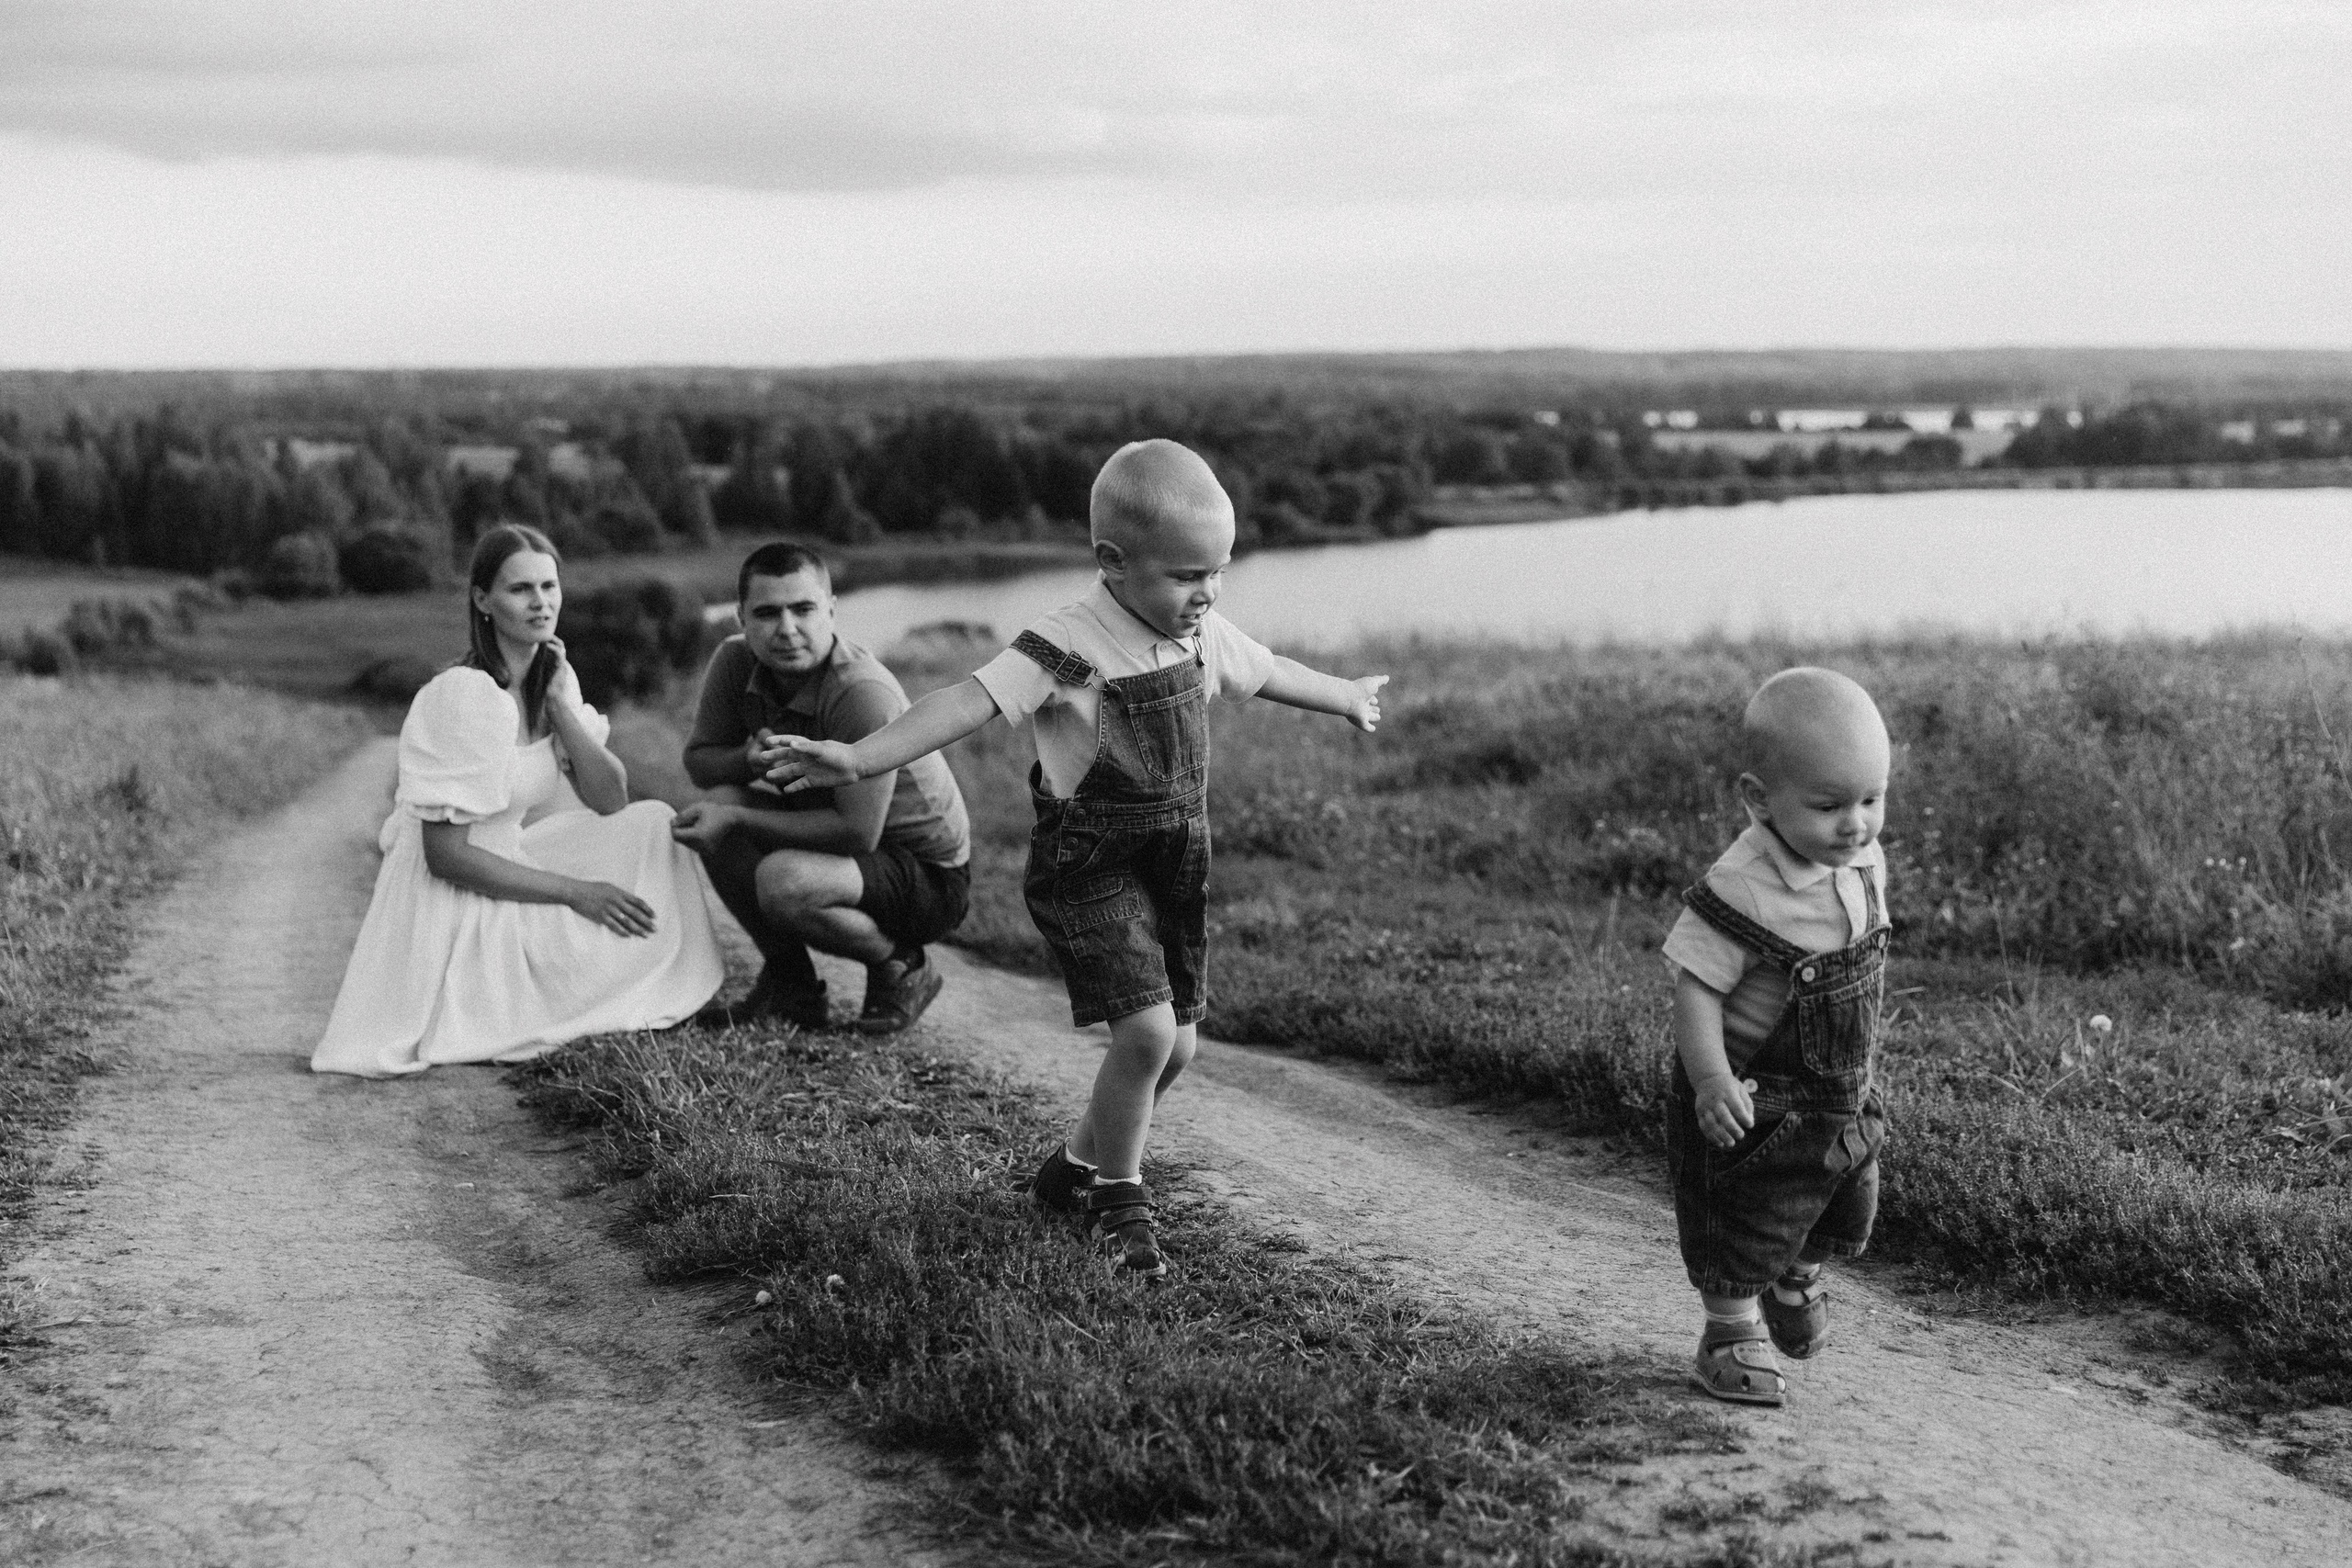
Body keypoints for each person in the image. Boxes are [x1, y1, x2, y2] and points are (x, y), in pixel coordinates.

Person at [769, 440, 1385, 1279]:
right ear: (1113, 562)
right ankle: (1119, 1200)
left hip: (1173, 861)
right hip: (1090, 865)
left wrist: (1344, 696)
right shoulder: (1066, 646)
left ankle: (1073, 1169)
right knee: (1145, 1031)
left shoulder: (1198, 633)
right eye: (1186, 575)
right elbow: (966, 701)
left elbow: (1267, 669)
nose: (1206, 593)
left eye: (1219, 573)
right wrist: (858, 757)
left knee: (1178, 1049)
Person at [311, 525, 725, 1078]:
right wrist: (577, 893)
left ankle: (659, 979)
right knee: (585, 929)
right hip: (453, 894)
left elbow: (611, 800)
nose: (541, 603)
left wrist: (559, 709)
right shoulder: (465, 695)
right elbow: (446, 857)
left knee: (654, 823)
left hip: (513, 857)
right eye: (520, 590)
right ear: (483, 600)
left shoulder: (553, 676)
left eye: (549, 587)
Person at [1660, 667, 1893, 1406]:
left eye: (1871, 799)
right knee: (1745, 1216)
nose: (1854, 823)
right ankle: (1728, 1328)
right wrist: (1710, 1080)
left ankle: (1796, 1279)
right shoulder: (1743, 886)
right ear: (1758, 798)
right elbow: (1695, 987)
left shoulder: (1858, 860)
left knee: (1846, 1195)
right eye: (1829, 806)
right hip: (1752, 1093)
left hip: (1837, 1090)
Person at [668, 543, 972, 1033]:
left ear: (831, 610)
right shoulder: (734, 662)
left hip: (928, 875)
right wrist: (746, 761)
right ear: (742, 618)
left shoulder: (859, 692)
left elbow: (857, 835)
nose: (787, 630)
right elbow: (700, 764)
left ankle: (901, 967)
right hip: (854, 847)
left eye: (803, 609)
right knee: (717, 805)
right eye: (767, 613)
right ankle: (792, 987)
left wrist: (742, 816)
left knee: (781, 879)